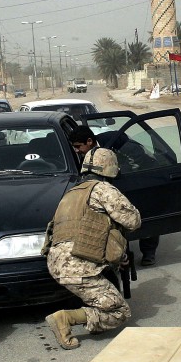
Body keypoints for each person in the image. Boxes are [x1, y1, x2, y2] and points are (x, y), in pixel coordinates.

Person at [44, 147, 141, 350]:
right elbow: (133, 221)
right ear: (110, 170)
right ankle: (66, 318)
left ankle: (94, 317)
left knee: (104, 294)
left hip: (57, 264)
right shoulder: (103, 189)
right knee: (120, 312)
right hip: (79, 267)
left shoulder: (71, 193)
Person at [68, 125, 159, 266]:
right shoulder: (84, 156)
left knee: (143, 216)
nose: (76, 150)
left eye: (78, 146)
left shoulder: (116, 141)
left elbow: (140, 159)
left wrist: (115, 171)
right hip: (110, 190)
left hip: (138, 181)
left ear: (89, 141)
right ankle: (122, 255)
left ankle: (148, 253)